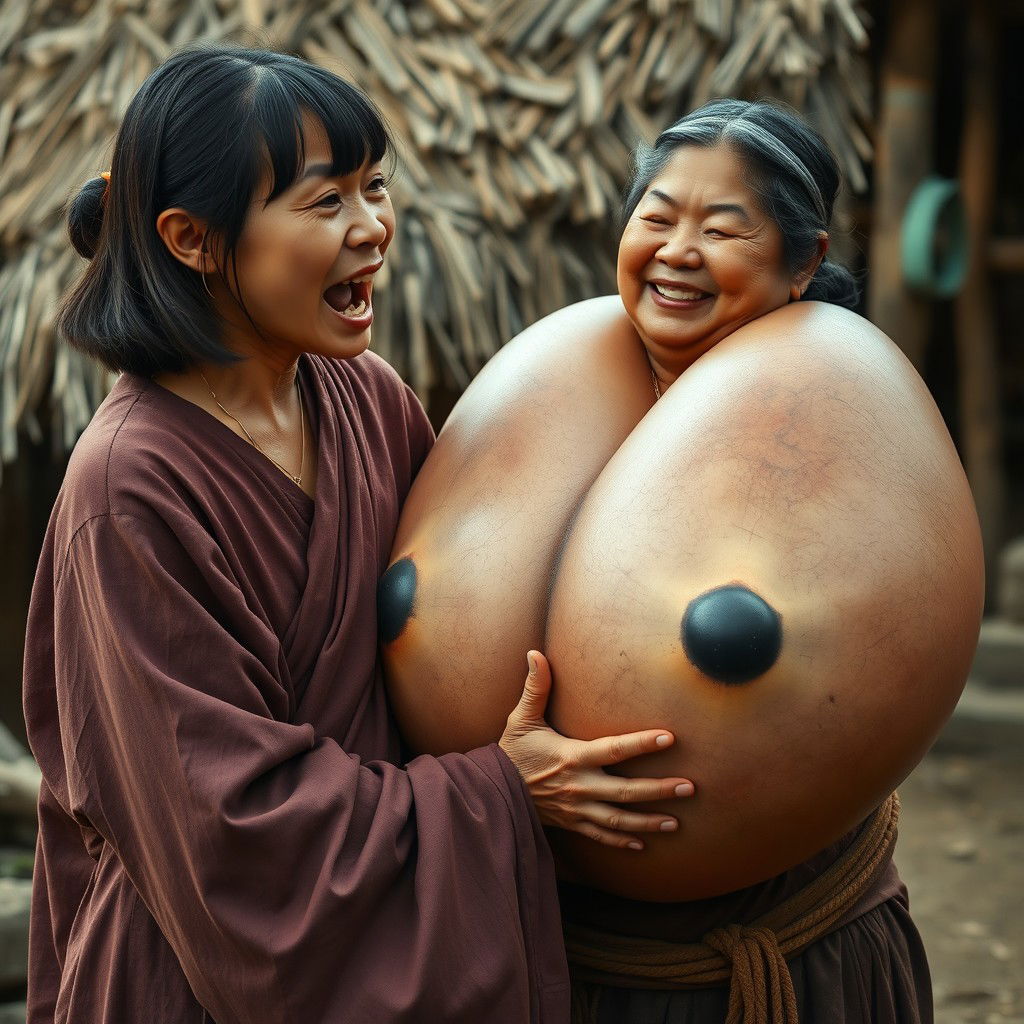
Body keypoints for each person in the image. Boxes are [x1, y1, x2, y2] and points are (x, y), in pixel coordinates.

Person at [21, 44, 698, 1024]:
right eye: (324, 201)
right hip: (203, 973)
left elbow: (458, 624)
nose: (373, 228)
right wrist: (500, 792)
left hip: (395, 909)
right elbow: (229, 830)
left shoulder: (364, 398)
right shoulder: (128, 491)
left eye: (374, 188)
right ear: (192, 237)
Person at [381, 99, 982, 1023]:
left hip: (771, 944)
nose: (677, 250)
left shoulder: (834, 413)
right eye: (656, 217)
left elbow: (903, 631)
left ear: (806, 260)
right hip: (548, 945)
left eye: (723, 228)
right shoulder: (566, 379)